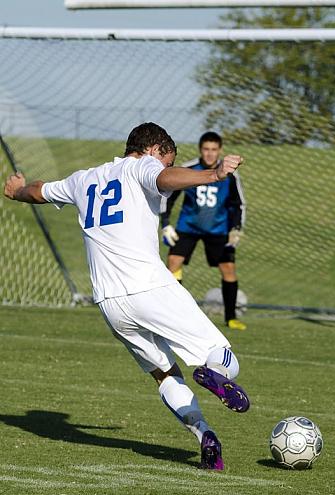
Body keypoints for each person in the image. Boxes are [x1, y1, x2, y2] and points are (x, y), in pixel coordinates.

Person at [4, 122, 249, 471]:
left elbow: (41, 191)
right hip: (149, 286)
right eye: (168, 161)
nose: (166, 169)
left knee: (164, 375)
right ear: (154, 149)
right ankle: (212, 374)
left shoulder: (84, 178)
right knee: (223, 359)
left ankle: (205, 436)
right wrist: (211, 175)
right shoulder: (143, 165)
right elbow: (162, 179)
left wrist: (17, 192)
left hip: (110, 303)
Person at [161, 131, 247, 331]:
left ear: (220, 151)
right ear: (201, 149)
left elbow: (239, 204)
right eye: (206, 149)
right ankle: (176, 315)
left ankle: (231, 317)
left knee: (228, 269)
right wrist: (165, 223)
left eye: (214, 149)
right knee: (173, 262)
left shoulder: (230, 175)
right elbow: (168, 197)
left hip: (218, 229)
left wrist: (236, 229)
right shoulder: (189, 169)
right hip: (188, 227)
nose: (209, 154)